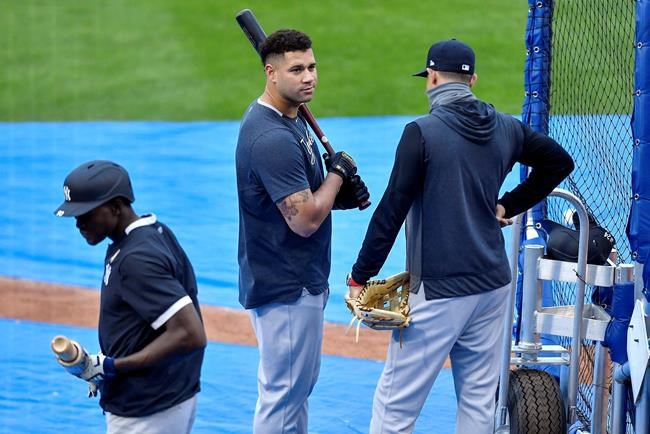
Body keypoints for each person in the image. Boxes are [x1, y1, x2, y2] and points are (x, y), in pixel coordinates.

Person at [346, 39, 574, 434]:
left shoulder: (421, 132)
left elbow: (391, 210)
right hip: (492, 287)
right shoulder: (507, 127)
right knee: (479, 406)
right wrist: (507, 206)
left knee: (394, 409)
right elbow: (558, 162)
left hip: (438, 291)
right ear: (472, 80)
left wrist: (359, 276)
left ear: (432, 78)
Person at [235, 29, 369, 433]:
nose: (308, 76)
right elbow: (305, 219)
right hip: (286, 285)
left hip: (295, 277)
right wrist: (337, 175)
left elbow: (307, 194)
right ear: (270, 73)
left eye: (311, 66)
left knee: (296, 392)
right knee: (283, 395)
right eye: (296, 69)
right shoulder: (272, 137)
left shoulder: (291, 119)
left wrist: (337, 192)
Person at [54, 160, 207, 434]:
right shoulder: (150, 233)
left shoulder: (136, 258)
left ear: (115, 207)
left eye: (86, 213)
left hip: (148, 407)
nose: (79, 223)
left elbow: (190, 334)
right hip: (168, 393)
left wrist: (112, 367)